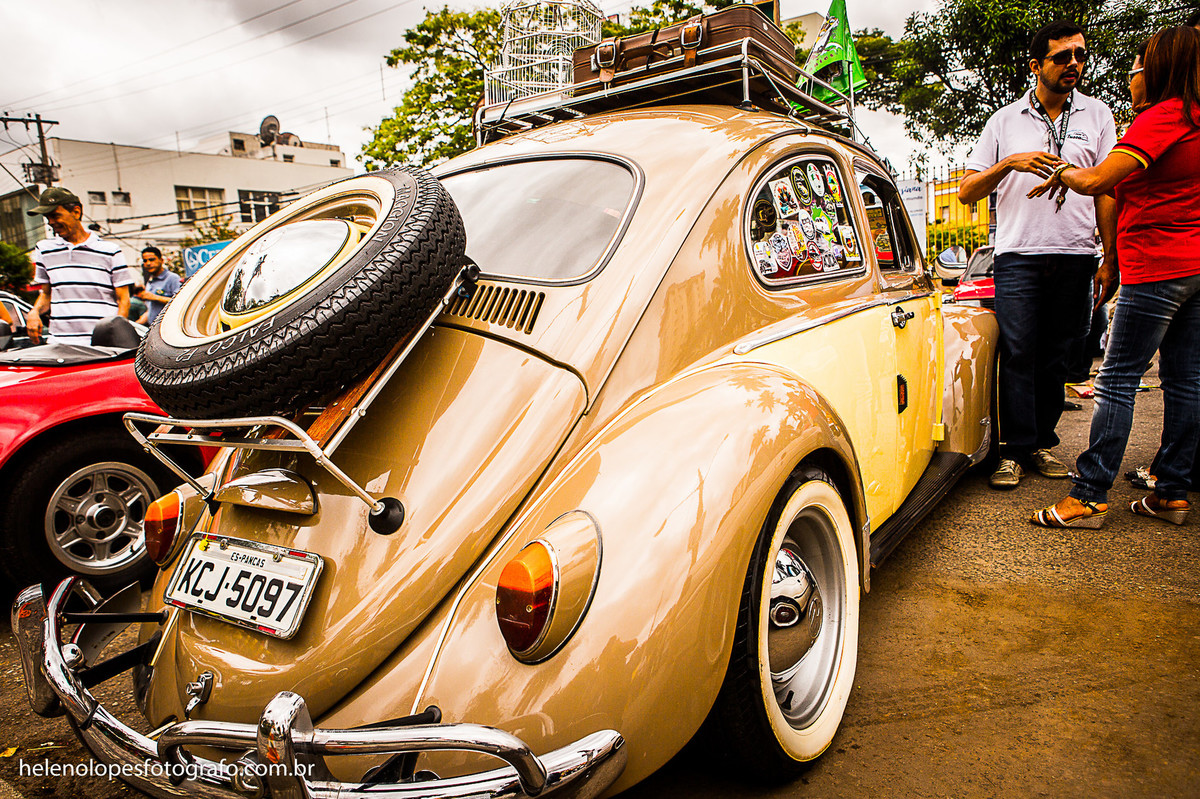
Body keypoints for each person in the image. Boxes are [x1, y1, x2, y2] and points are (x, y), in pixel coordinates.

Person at [1030, 26, 1200, 528]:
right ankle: (1172, 493)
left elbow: (1097, 179)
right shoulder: (1195, 117)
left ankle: (1088, 494)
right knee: (1185, 380)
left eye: (1139, 63)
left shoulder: (1162, 117)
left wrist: (1061, 171)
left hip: (1157, 265)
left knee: (1117, 379)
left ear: (1159, 67)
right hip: (1194, 267)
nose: (1132, 73)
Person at [958, 19, 1118, 490]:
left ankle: (1041, 443)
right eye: (1061, 56)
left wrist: (1109, 257)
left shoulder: (1097, 115)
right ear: (1035, 66)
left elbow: (1107, 190)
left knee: (1057, 355)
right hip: (1019, 255)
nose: (1074, 64)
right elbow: (966, 190)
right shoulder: (1004, 121)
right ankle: (1012, 451)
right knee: (1019, 352)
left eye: (1080, 55)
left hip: (1076, 254)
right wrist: (1010, 163)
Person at [25, 187, 133, 345]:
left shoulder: (110, 251)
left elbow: (123, 299)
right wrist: (34, 312)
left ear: (76, 212)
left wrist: (115, 334)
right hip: (59, 342)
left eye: (55, 215)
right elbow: (46, 294)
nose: (51, 222)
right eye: (47, 217)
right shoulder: (44, 249)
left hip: (101, 344)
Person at [135, 246, 181, 325]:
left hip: (168, 326)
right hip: (153, 327)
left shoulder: (172, 278)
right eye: (145, 261)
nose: (148, 263)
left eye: (152, 260)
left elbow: (179, 302)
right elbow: (152, 309)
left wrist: (155, 297)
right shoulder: (150, 281)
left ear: (161, 260)